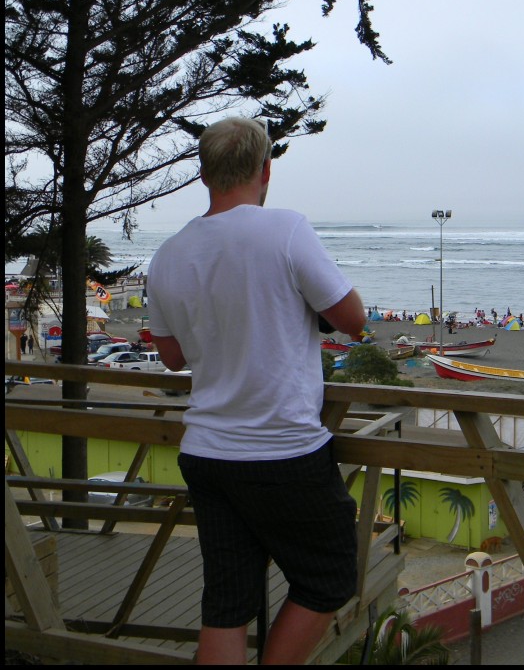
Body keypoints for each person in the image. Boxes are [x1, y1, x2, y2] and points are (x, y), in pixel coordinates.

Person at [147, 118, 366, 665]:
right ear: (265, 171)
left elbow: (172, 356)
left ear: (204, 175)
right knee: (328, 578)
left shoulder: (169, 253)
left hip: (207, 452)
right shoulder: (285, 230)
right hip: (282, 448)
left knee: (227, 603)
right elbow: (353, 319)